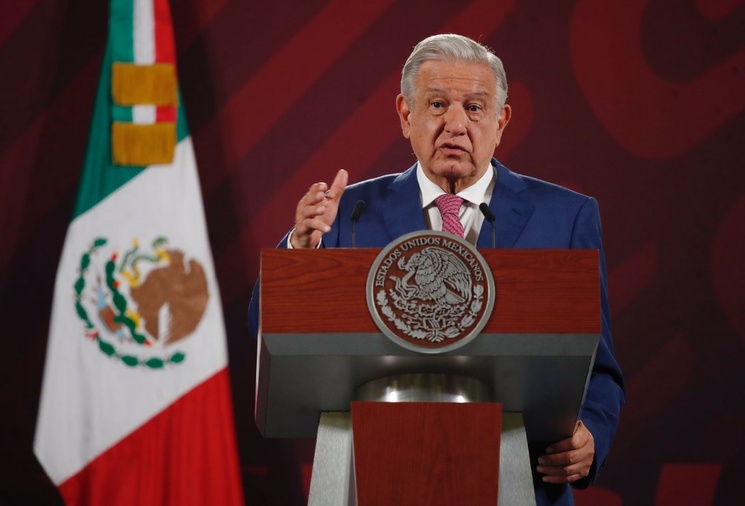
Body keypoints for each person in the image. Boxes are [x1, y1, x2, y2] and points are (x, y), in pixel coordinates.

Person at [249, 33, 624, 505]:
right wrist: (299, 250)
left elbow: (601, 367)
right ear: (406, 116)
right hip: (373, 476)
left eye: (473, 107)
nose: (455, 124)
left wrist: (591, 434)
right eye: (438, 104)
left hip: (520, 479)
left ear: (500, 121)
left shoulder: (566, 217)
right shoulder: (350, 212)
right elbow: (263, 329)